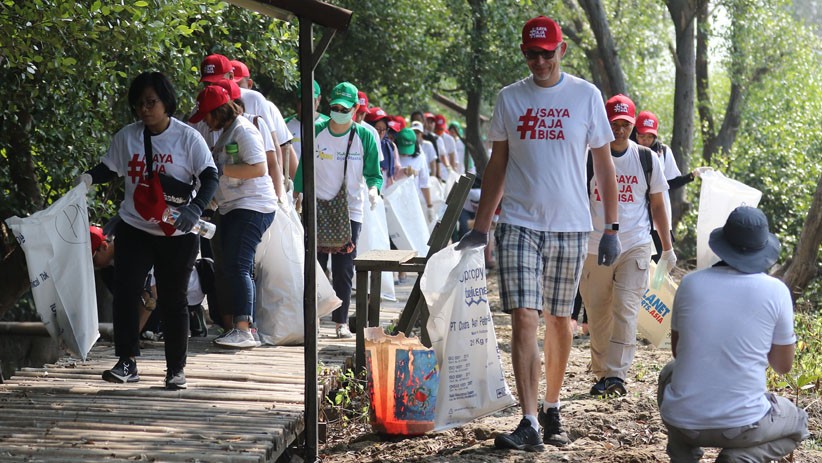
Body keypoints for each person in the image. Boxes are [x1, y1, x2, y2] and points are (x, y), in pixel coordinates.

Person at [457, 16, 620, 452]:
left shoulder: (586, 96)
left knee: (559, 320)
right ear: (523, 54)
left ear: (562, 50)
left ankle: (551, 405)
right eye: (533, 53)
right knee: (524, 317)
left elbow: (605, 165)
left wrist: (612, 227)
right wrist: (481, 225)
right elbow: (497, 165)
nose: (541, 61)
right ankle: (527, 420)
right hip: (518, 224)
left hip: (571, 224)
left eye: (548, 52)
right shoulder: (509, 99)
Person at [75, 71, 218, 390]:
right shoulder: (127, 137)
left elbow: (210, 175)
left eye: (151, 102)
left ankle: (175, 369)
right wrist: (87, 178)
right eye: (139, 104)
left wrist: (196, 208)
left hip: (177, 232)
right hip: (136, 227)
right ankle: (127, 361)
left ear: (166, 102)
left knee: (173, 298)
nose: (144, 109)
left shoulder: (187, 137)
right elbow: (108, 168)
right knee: (125, 293)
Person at [657, 206, 809, 462]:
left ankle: (683, 453)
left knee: (670, 371)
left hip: (683, 422)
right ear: (764, 252)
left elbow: (678, 351)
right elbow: (783, 366)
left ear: (722, 245)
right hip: (742, 426)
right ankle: (740, 459)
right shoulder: (776, 291)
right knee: (799, 424)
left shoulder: (690, 283)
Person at [579, 94, 673, 398]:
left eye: (625, 124)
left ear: (632, 126)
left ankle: (617, 375)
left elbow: (658, 205)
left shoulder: (647, 159)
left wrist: (667, 247)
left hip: (636, 244)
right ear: (604, 124)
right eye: (613, 123)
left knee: (626, 309)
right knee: (597, 312)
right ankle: (602, 371)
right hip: (594, 246)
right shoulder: (588, 158)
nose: (619, 129)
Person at [189, 85, 280, 349]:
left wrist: (220, 169)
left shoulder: (243, 130)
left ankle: (244, 328)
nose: (205, 121)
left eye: (207, 115)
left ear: (219, 111)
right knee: (229, 265)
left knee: (239, 264)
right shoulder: (226, 132)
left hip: (253, 207)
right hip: (231, 207)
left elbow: (259, 167)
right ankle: (235, 326)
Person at [293, 82, 382, 338]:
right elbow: (303, 168)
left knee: (344, 267)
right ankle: (315, 320)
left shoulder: (365, 136)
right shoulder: (316, 131)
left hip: (350, 209)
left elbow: (374, 173)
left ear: (355, 108)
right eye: (335, 107)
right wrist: (297, 193)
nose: (339, 111)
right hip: (317, 208)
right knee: (315, 265)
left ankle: (341, 322)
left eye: (345, 107)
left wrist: (374, 191)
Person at [634, 110, 710, 261]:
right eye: (642, 136)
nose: (646, 140)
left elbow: (669, 182)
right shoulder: (629, 151)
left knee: (658, 261)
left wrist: (692, 175)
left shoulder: (663, 152)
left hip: (659, 216)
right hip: (634, 217)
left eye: (650, 136)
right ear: (635, 133)